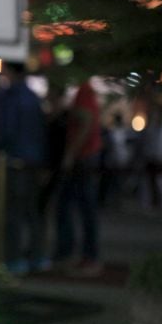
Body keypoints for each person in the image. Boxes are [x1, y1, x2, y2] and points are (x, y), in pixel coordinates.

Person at [0, 62, 49, 275]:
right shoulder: (33, 97)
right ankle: (38, 257)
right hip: (34, 161)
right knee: (32, 212)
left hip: (15, 160)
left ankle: (15, 259)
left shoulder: (10, 97)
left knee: (13, 214)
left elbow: (6, 130)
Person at [54, 80, 103, 277]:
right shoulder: (85, 91)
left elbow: (86, 121)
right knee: (79, 208)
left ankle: (82, 255)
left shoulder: (84, 91)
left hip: (83, 158)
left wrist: (71, 154)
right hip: (85, 156)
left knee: (77, 208)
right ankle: (78, 254)